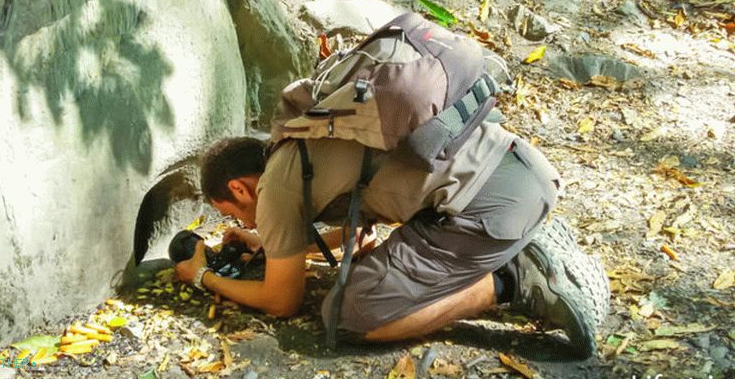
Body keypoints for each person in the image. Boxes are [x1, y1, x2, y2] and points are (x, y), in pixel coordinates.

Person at [174, 121, 598, 357]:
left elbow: (281, 302)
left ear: (239, 189)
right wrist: (270, 243)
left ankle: (513, 280)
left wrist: (201, 276)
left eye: (235, 212)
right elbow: (358, 221)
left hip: (487, 208)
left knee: (344, 315)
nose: (247, 219)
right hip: (520, 171)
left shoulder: (275, 186)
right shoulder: (303, 139)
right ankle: (512, 247)